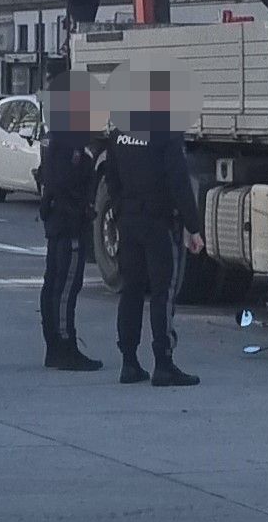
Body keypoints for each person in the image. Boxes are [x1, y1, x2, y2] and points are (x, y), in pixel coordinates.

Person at [107, 69, 206, 387]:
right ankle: (163, 363)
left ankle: (128, 362)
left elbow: (112, 178)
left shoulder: (120, 130)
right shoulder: (166, 132)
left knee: (131, 290)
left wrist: (122, 210)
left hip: (129, 221)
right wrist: (194, 227)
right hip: (159, 223)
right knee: (162, 293)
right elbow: (179, 183)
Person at [38, 72, 103, 371]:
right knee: (65, 286)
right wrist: (83, 208)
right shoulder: (70, 139)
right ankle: (64, 345)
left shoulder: (54, 133)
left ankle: (56, 343)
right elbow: (65, 180)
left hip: (58, 219)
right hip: (68, 220)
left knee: (53, 283)